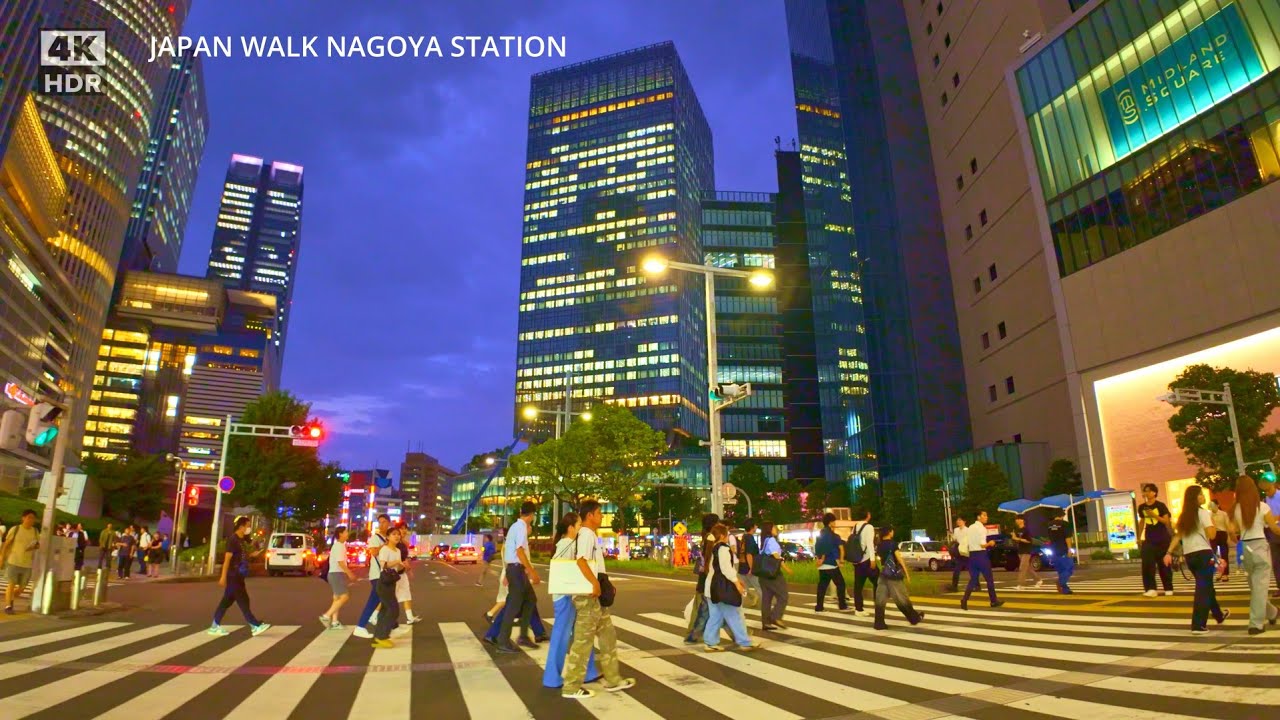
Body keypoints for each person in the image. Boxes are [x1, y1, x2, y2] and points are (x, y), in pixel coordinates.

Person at [561, 500, 635, 700]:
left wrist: (603, 584)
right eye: (599, 513)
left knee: (608, 637)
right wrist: (594, 584)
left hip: (596, 596)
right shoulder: (586, 534)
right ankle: (571, 686)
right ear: (590, 515)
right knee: (583, 642)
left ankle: (613, 679)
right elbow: (581, 561)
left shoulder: (590, 535)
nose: (602, 516)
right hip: (588, 596)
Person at [543, 512, 599, 689]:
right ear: (570, 528)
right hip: (565, 597)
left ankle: (589, 670)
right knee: (562, 636)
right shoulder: (567, 544)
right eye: (578, 525)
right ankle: (552, 676)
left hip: (566, 595)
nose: (580, 528)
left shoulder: (564, 543)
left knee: (581, 633)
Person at [1165, 484, 1229, 634]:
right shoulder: (1203, 513)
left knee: (1206, 586)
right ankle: (1198, 625)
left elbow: (1178, 536)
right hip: (1203, 554)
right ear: (1194, 498)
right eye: (1200, 494)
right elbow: (1212, 535)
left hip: (1190, 556)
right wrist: (1212, 521)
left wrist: (1168, 552)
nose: (1203, 496)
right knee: (1203, 589)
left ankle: (1219, 615)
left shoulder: (1184, 516)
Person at [1228, 475, 1280, 634]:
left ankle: (1272, 612)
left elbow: (1232, 531)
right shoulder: (1263, 507)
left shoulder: (1235, 508)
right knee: (1259, 587)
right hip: (1260, 546)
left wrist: (1236, 538)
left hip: (1245, 547)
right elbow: (1274, 528)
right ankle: (1256, 624)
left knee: (1255, 586)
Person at [701, 523, 760, 654]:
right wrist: (737, 583)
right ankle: (745, 642)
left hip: (711, 588)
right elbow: (726, 569)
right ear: (722, 536)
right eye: (727, 534)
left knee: (715, 617)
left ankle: (710, 643)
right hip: (722, 589)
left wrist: (737, 580)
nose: (728, 536)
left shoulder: (712, 548)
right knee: (734, 615)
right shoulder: (723, 549)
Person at [208, 515, 270, 637]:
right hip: (233, 575)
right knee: (243, 600)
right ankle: (254, 625)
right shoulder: (233, 540)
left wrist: (252, 555)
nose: (249, 529)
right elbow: (227, 559)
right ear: (241, 526)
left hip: (239, 575)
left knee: (226, 602)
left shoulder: (241, 540)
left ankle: (214, 626)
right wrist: (223, 576)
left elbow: (240, 556)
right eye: (248, 526)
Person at [495, 501, 541, 653]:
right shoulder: (521, 527)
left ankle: (523, 636)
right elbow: (519, 551)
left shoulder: (515, 527)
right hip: (517, 570)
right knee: (514, 605)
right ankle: (503, 640)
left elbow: (509, 550)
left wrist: (508, 571)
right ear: (532, 515)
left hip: (515, 570)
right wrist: (532, 571)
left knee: (530, 599)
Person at [872, 526, 924, 629]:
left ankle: (879, 623)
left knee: (880, 599)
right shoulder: (892, 544)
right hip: (893, 575)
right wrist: (906, 573)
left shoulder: (879, 545)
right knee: (901, 598)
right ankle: (914, 618)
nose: (893, 532)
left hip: (883, 575)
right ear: (889, 532)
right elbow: (899, 558)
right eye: (892, 531)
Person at [353, 515, 392, 639]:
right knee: (379, 601)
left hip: (383, 575)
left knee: (378, 600)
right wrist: (385, 545)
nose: (381, 524)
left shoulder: (388, 537)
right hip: (377, 575)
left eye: (384, 522)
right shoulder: (375, 538)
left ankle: (370, 623)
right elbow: (374, 552)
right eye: (380, 522)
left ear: (389, 523)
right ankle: (362, 626)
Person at [684, 512, 719, 644]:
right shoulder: (710, 538)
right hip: (708, 578)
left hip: (705, 577)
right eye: (718, 522)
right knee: (703, 608)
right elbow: (708, 560)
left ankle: (692, 634)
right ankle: (692, 634)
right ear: (713, 524)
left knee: (704, 608)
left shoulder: (706, 536)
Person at [370, 527, 407, 648]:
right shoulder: (385, 549)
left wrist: (402, 566)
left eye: (398, 534)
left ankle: (379, 636)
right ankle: (382, 636)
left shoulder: (398, 550)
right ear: (388, 537)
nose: (397, 536)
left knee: (385, 610)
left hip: (392, 582)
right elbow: (383, 565)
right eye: (394, 534)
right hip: (384, 583)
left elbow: (398, 568)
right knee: (393, 610)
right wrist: (396, 562)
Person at [960, 510, 1004, 611]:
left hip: (972, 556)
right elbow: (982, 545)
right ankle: (993, 601)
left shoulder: (970, 527)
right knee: (989, 579)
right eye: (984, 515)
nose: (986, 517)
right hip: (981, 555)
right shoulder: (982, 529)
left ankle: (964, 600)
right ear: (978, 517)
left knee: (973, 579)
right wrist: (990, 543)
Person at [1138, 483, 1175, 597]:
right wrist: (1139, 537)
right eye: (1145, 491)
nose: (1146, 493)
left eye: (1149, 491)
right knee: (1147, 563)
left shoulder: (1160, 505)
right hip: (1149, 539)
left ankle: (1168, 587)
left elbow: (1166, 521)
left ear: (1154, 493)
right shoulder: (1142, 507)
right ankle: (1150, 588)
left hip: (1162, 538)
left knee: (1164, 564)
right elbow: (1142, 521)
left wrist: (1153, 515)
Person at [2, 510, 40, 614]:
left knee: (22, 588)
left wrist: (35, 546)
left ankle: (10, 598)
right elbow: (6, 544)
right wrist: (2, 557)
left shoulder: (35, 531)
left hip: (27, 563)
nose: (31, 520)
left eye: (33, 518)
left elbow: (38, 544)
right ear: (23, 518)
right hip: (13, 560)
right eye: (29, 517)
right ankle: (8, 606)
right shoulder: (15, 529)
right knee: (11, 584)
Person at [757, 521, 791, 629]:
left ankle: (766, 622)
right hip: (773, 573)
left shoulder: (764, 541)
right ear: (770, 529)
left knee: (767, 598)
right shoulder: (771, 540)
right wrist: (786, 568)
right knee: (783, 595)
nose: (776, 529)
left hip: (763, 574)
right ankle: (775, 617)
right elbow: (776, 556)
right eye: (774, 527)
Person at [320, 526, 355, 629]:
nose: (347, 533)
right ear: (340, 534)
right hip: (336, 574)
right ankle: (326, 616)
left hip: (335, 574)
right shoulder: (339, 546)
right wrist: (349, 573)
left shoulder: (339, 545)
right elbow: (340, 562)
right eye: (346, 532)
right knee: (344, 596)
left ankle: (335, 622)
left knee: (337, 598)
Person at [813, 512, 849, 612]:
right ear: (830, 523)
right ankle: (842, 606)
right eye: (834, 521)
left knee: (822, 587)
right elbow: (841, 549)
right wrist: (841, 561)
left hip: (822, 566)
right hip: (832, 564)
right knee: (841, 584)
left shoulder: (820, 534)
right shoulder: (834, 536)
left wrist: (819, 559)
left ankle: (819, 607)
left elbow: (817, 548)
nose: (835, 523)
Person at [848, 507, 877, 616]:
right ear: (867, 515)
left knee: (858, 586)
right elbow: (870, 544)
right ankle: (878, 604)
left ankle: (858, 609)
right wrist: (873, 559)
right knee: (878, 582)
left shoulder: (855, 527)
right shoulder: (869, 527)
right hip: (866, 560)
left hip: (857, 560)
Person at [1259, 474, 1280, 598]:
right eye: (1265, 491)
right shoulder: (1265, 500)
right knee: (1276, 562)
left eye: (1268, 489)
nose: (1267, 492)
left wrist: (1275, 518)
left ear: (1273, 485)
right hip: (1273, 533)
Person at [396, 529, 421, 624]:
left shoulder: (402, 544)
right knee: (388, 598)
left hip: (402, 574)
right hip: (393, 575)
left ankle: (410, 617)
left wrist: (408, 569)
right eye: (401, 530)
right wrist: (408, 568)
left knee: (406, 594)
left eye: (405, 531)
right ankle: (375, 615)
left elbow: (404, 558)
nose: (404, 532)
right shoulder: (391, 546)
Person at [1046, 510, 1074, 593]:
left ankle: (1065, 590)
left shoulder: (1049, 525)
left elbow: (1050, 538)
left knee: (1061, 570)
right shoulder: (1065, 524)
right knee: (1069, 568)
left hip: (1054, 550)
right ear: (1062, 515)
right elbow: (1068, 538)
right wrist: (1069, 549)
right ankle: (1060, 582)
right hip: (1063, 549)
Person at [1013, 516, 1043, 589]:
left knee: (1022, 567)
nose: (1017, 521)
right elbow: (1016, 540)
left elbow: (1029, 541)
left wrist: (1018, 539)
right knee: (1027, 568)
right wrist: (1014, 538)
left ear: (1023, 520)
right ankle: (1038, 580)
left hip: (1027, 550)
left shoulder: (1026, 530)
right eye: (1016, 519)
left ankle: (1021, 584)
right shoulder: (1016, 530)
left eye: (1019, 519)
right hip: (1020, 550)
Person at [1209, 500, 1232, 581]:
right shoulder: (1209, 515)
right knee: (1213, 555)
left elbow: (1227, 525)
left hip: (1222, 534)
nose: (1211, 507)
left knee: (1224, 554)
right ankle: (1218, 573)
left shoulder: (1223, 514)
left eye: (1213, 505)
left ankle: (1225, 574)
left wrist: (1229, 537)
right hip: (1213, 535)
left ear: (1217, 505)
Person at [737, 521, 760, 595]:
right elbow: (749, 554)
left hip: (742, 567)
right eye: (755, 525)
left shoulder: (744, 537)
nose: (757, 527)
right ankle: (766, 602)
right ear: (752, 527)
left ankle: (741, 603)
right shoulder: (750, 538)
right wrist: (751, 568)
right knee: (760, 588)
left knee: (744, 590)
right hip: (748, 568)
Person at [948, 517, 968, 592]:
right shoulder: (956, 530)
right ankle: (954, 586)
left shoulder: (968, 530)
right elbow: (955, 539)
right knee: (957, 570)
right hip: (959, 552)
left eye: (960, 520)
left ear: (964, 521)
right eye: (958, 520)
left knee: (971, 569)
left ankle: (977, 585)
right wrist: (951, 535)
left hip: (966, 551)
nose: (958, 521)